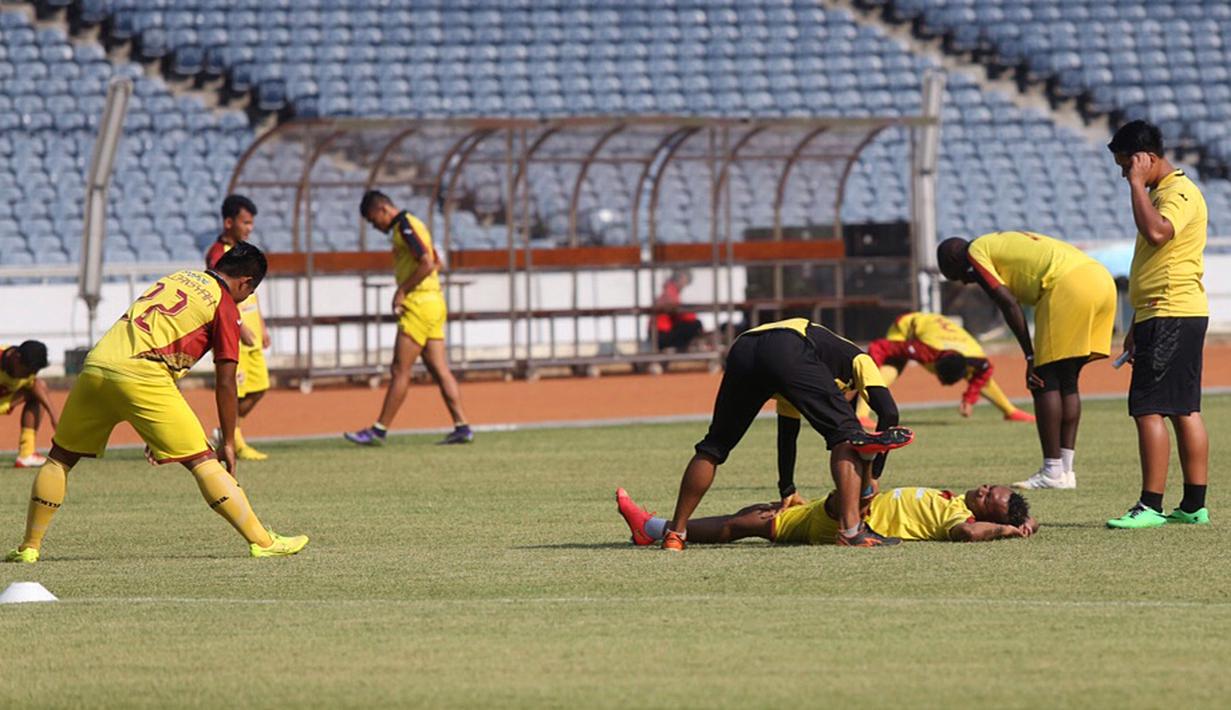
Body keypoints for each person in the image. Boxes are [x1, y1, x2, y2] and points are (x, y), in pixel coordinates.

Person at [3, 244, 308, 563]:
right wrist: (229, 441)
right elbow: (226, 381)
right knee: (204, 461)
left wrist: (152, 427)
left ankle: (29, 547)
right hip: (143, 373)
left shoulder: (177, 278)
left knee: (59, 460)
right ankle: (262, 541)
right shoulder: (225, 306)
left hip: (96, 365)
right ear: (246, 283)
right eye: (250, 292)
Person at [660, 317, 914, 551]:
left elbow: (787, 433)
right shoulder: (860, 359)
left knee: (714, 446)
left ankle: (675, 534)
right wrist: (874, 477)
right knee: (848, 435)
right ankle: (851, 531)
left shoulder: (806, 374)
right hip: (789, 344)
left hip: (744, 346)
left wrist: (787, 489)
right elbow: (889, 413)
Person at [936, 232, 1116, 490]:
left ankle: (1052, 471)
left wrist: (1030, 356)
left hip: (1068, 285)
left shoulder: (974, 253)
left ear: (957, 260)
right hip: (1101, 279)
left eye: (959, 276)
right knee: (1067, 380)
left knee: (1042, 380)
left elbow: (1007, 303)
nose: (965, 282)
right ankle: (1065, 471)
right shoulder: (997, 241)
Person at [1105, 120, 1211, 529]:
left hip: (1170, 312)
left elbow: (1156, 233)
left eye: (1125, 166)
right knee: (1184, 408)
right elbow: (1157, 262)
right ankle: (1193, 505)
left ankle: (1150, 505)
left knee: (1149, 408)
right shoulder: (1164, 193)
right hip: (1165, 311)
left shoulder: (1176, 192)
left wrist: (1136, 184)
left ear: (1143, 158)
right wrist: (1137, 322)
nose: (1124, 175)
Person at [345, 191, 473, 446]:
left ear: (382, 209)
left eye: (373, 219)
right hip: (433, 301)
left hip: (419, 304)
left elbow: (427, 263)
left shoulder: (404, 226)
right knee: (439, 368)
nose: (374, 226)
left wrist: (402, 290)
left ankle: (378, 431)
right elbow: (437, 261)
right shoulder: (414, 223)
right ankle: (462, 426)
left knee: (399, 369)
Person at [617, 484, 1036, 545]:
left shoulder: (960, 519)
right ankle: (654, 529)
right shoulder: (955, 499)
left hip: (848, 521)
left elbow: (968, 534)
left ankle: (652, 529)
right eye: (989, 486)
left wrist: (1006, 530)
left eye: (989, 499)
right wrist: (1023, 522)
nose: (983, 490)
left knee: (745, 524)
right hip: (842, 510)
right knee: (755, 514)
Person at [856, 311, 1035, 425]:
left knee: (980, 378)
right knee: (893, 367)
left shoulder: (977, 358)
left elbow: (984, 373)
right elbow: (879, 347)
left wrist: (969, 399)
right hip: (906, 326)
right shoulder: (925, 351)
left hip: (939, 337)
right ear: (934, 364)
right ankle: (861, 414)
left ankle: (1010, 412)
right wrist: (871, 369)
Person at [205, 194, 271, 461]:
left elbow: (251, 292)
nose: (249, 228)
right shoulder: (218, 254)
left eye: (251, 223)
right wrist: (239, 326)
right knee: (235, 387)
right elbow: (220, 291)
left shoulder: (244, 252)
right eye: (245, 222)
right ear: (229, 222)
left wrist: (261, 325)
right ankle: (236, 441)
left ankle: (226, 431)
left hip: (251, 329)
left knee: (260, 386)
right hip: (233, 330)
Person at [0, 340, 58, 468]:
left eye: (34, 372)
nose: (30, 375)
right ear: (16, 359)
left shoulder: (28, 369)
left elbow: (37, 385)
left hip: (4, 402)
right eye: (28, 371)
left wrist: (54, 417)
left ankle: (26, 453)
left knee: (39, 390)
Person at [653, 269, 703, 351]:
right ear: (679, 278)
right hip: (662, 333)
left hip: (660, 332)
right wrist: (692, 316)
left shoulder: (669, 290)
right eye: (684, 281)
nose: (684, 285)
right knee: (695, 325)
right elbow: (677, 310)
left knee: (694, 324)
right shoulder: (670, 291)